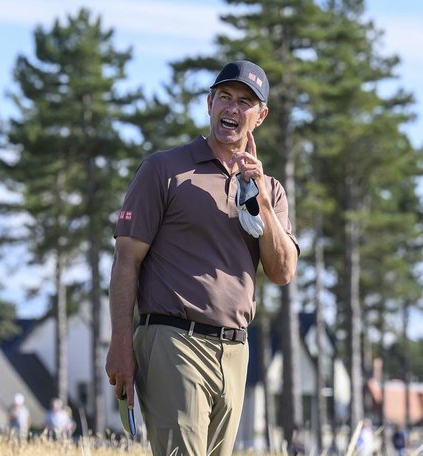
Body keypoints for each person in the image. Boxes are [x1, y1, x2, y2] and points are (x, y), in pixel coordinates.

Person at [106, 59, 299, 456]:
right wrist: (121, 344)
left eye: (245, 102)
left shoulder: (272, 190)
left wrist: (260, 198)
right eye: (224, 97)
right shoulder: (164, 170)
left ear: (259, 117)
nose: (232, 108)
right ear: (209, 103)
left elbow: (282, 272)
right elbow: (126, 259)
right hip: (173, 341)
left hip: (235, 351)